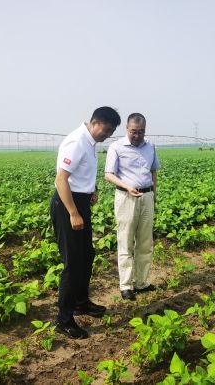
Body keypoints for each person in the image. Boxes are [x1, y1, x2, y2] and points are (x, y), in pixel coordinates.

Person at [50, 106, 121, 339]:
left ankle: (80, 303)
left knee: (86, 255)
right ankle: (63, 319)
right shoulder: (77, 141)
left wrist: (91, 191)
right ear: (95, 122)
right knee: (73, 262)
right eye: (107, 130)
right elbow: (61, 179)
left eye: (111, 132)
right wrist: (73, 212)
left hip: (80, 201)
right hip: (67, 205)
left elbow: (81, 175)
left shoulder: (89, 143)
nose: (107, 135)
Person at [105, 113, 160, 301]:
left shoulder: (150, 146)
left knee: (145, 242)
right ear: (127, 129)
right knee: (125, 241)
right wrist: (127, 187)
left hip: (146, 196)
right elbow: (109, 175)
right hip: (126, 196)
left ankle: (142, 282)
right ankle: (126, 285)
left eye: (141, 132)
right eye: (134, 132)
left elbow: (153, 172)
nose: (137, 135)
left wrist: (154, 195)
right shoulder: (116, 147)